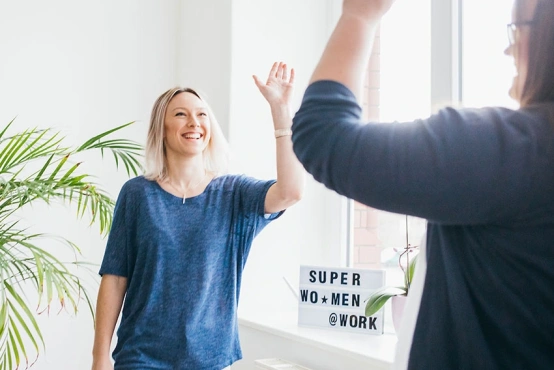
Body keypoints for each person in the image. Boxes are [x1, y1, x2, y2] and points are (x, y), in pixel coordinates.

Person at [291, 0, 554, 369]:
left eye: (518, 30)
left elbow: (323, 136)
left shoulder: (513, 150)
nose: (509, 48)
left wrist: (359, 15)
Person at [91, 62, 304, 370]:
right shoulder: (137, 195)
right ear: (161, 128)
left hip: (210, 361)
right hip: (140, 358)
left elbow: (291, 192)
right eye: (181, 114)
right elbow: (115, 278)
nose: (194, 122)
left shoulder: (233, 194)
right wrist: (99, 358)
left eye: (202, 114)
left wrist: (281, 112)